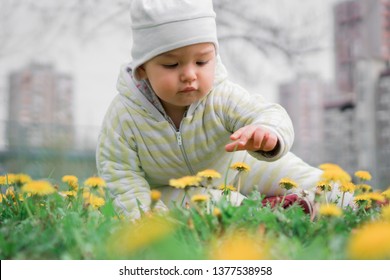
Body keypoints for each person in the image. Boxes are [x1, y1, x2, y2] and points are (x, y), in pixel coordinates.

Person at [96, 0, 325, 220]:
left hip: (238, 168)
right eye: (171, 65)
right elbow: (120, 175)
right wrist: (146, 218)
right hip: (173, 189)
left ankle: (344, 201)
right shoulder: (124, 116)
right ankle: (264, 214)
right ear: (142, 69)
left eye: (202, 61)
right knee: (215, 201)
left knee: (312, 181)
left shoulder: (221, 96)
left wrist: (266, 132)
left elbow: (268, 113)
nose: (189, 74)